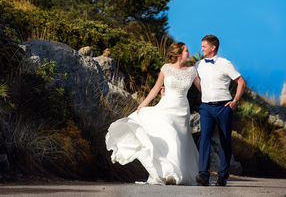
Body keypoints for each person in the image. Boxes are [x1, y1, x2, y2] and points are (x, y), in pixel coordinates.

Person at [105, 42, 200, 185]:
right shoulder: (166, 69)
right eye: (186, 51)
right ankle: (169, 173)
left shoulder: (192, 71)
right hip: (166, 106)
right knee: (170, 134)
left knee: (180, 141)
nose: (189, 53)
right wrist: (143, 104)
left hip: (182, 110)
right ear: (179, 53)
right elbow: (156, 88)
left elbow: (202, 90)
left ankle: (176, 173)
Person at [194, 35, 246, 187]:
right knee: (204, 139)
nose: (202, 49)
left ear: (213, 48)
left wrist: (235, 101)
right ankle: (203, 175)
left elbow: (241, 82)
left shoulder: (225, 63)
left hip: (224, 107)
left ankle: (223, 176)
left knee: (225, 140)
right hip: (206, 108)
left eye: (204, 46)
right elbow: (196, 80)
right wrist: (203, 93)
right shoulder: (198, 64)